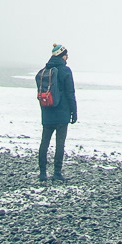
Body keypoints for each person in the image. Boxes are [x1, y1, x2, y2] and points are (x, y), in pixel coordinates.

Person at [35, 42, 77, 183]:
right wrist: (74, 112)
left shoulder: (43, 72)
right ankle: (57, 172)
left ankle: (42, 173)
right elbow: (71, 93)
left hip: (47, 112)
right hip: (62, 113)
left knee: (44, 142)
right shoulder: (66, 71)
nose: (67, 58)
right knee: (60, 143)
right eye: (66, 55)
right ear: (62, 56)